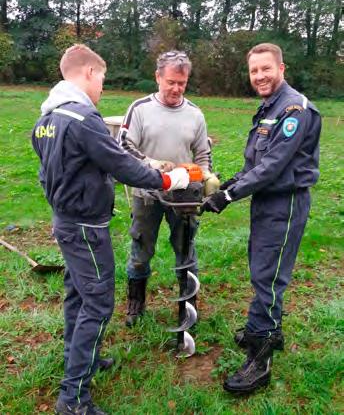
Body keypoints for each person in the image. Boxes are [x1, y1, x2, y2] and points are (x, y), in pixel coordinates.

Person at [31, 44, 190, 415]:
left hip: (68, 222)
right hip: (86, 228)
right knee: (99, 303)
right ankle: (73, 399)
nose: (102, 86)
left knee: (77, 295)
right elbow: (122, 164)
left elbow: (47, 172)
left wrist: (61, 210)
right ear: (88, 73)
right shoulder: (83, 119)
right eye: (101, 78)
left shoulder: (46, 121)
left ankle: (81, 356)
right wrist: (168, 179)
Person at [202, 43, 321, 394]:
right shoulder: (269, 108)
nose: (259, 76)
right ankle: (266, 330)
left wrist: (228, 196)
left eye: (265, 69)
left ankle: (261, 358)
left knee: (268, 278)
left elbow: (272, 168)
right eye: (254, 71)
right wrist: (229, 184)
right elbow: (254, 165)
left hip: (284, 205)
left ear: (281, 68)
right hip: (266, 203)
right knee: (262, 268)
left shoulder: (294, 109)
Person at [118, 50, 218, 327]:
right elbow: (124, 146)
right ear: (158, 77)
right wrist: (152, 165)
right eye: (171, 81)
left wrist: (205, 177)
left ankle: (188, 305)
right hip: (146, 194)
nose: (176, 88)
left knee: (186, 250)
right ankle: (136, 303)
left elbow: (203, 153)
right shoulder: (140, 109)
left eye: (182, 83)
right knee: (141, 250)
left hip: (184, 198)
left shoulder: (195, 114)